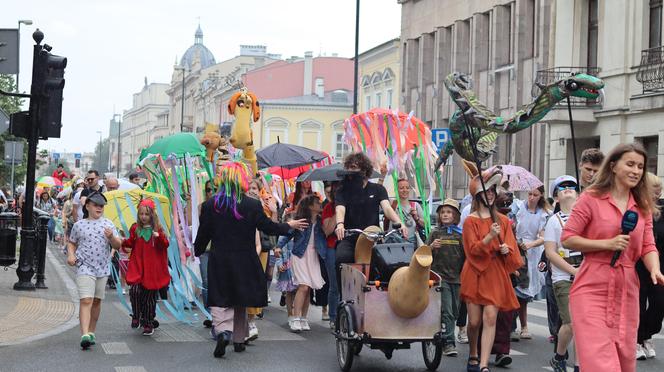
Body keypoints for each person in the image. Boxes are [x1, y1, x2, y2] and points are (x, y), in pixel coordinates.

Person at [561, 143, 664, 372]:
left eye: (640, 166)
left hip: (627, 289)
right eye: (630, 164)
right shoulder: (591, 198)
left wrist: (655, 269)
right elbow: (568, 238)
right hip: (592, 286)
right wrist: (605, 244)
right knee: (601, 363)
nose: (636, 170)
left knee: (624, 360)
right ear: (614, 166)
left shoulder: (642, 206)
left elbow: (648, 245)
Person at [194, 162, 308, 358]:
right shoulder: (252, 204)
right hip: (245, 259)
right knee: (240, 300)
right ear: (241, 180)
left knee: (220, 299)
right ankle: (238, 340)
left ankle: (223, 331)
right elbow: (268, 228)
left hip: (220, 259)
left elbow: (203, 234)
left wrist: (197, 250)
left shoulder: (210, 205)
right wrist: (288, 225)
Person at [461, 166, 523, 372]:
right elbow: (472, 251)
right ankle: (473, 353)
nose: (490, 193)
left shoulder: (504, 220)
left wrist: (507, 249)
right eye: (486, 190)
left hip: (495, 273)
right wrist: (488, 237)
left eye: (492, 190)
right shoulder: (470, 221)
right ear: (477, 194)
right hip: (475, 273)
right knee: (474, 322)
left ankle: (484, 365)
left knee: (490, 318)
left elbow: (512, 250)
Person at [334, 152, 408, 292]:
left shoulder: (378, 189)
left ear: (364, 169)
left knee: (385, 264)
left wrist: (400, 222)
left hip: (372, 238)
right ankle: (343, 293)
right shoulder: (343, 190)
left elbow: (386, 208)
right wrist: (340, 225)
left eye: (354, 167)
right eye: (349, 167)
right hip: (350, 236)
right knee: (341, 258)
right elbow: (340, 210)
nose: (351, 171)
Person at [66, 191, 122, 349]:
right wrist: (71, 255)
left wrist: (111, 237)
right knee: (86, 300)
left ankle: (91, 332)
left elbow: (118, 246)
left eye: (101, 205)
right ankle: (84, 334)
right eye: (96, 205)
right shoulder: (79, 225)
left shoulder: (108, 224)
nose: (99, 208)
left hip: (102, 268)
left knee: (96, 301)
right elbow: (71, 243)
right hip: (84, 266)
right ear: (88, 206)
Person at [543, 175, 581, 372]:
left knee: (583, 325)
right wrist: (574, 271)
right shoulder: (553, 221)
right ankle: (559, 356)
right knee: (571, 322)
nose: (568, 189)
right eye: (562, 187)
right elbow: (550, 252)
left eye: (572, 186)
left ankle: (578, 365)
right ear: (556, 197)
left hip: (586, 276)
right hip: (563, 277)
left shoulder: (586, 219)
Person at [121, 199, 170, 336]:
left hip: (152, 269)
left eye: (146, 214)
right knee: (135, 291)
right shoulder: (135, 228)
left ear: (152, 215)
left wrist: (158, 236)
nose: (143, 217)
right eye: (141, 214)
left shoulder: (158, 230)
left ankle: (148, 322)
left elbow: (165, 245)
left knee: (149, 298)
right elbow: (130, 242)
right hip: (138, 266)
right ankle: (136, 315)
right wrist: (121, 241)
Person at [278, 195, 326, 333]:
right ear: (310, 206)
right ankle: (295, 318)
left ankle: (304, 318)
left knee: (309, 288)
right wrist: (278, 247)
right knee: (303, 286)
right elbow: (288, 234)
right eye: (317, 202)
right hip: (299, 254)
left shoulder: (321, 221)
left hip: (314, 256)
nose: (320, 204)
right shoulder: (301, 221)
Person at [427, 199, 464, 357]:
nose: (445, 215)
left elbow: (467, 256)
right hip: (440, 278)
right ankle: (449, 342)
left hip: (457, 278)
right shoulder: (435, 233)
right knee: (447, 310)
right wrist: (431, 247)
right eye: (443, 212)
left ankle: (443, 332)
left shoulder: (461, 234)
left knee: (455, 312)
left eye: (449, 212)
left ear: (455, 215)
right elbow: (423, 255)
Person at [513, 185, 550, 340]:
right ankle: (513, 324)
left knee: (524, 292)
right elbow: (512, 227)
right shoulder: (519, 208)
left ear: (540, 196)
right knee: (515, 287)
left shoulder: (544, 214)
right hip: (517, 250)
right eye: (530, 194)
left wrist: (530, 244)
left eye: (535, 194)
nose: (532, 197)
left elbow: (543, 237)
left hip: (532, 252)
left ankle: (523, 325)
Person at [636, 172, 664, 360]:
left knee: (659, 305)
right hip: (636, 265)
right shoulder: (635, 209)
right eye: (654, 191)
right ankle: (636, 340)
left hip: (659, 265)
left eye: (659, 191)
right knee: (636, 304)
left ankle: (647, 334)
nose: (657, 195)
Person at [320, 181, 340, 328]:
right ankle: (333, 317)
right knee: (335, 285)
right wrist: (337, 212)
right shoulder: (328, 208)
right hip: (332, 248)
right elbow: (327, 230)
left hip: (347, 246)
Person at [384, 178, 425, 245]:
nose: (405, 190)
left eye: (407, 188)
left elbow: (425, 225)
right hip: (393, 242)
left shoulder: (415, 205)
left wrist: (416, 217)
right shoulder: (391, 203)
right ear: (396, 190)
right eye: (401, 188)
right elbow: (378, 194)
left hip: (410, 243)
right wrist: (382, 177)